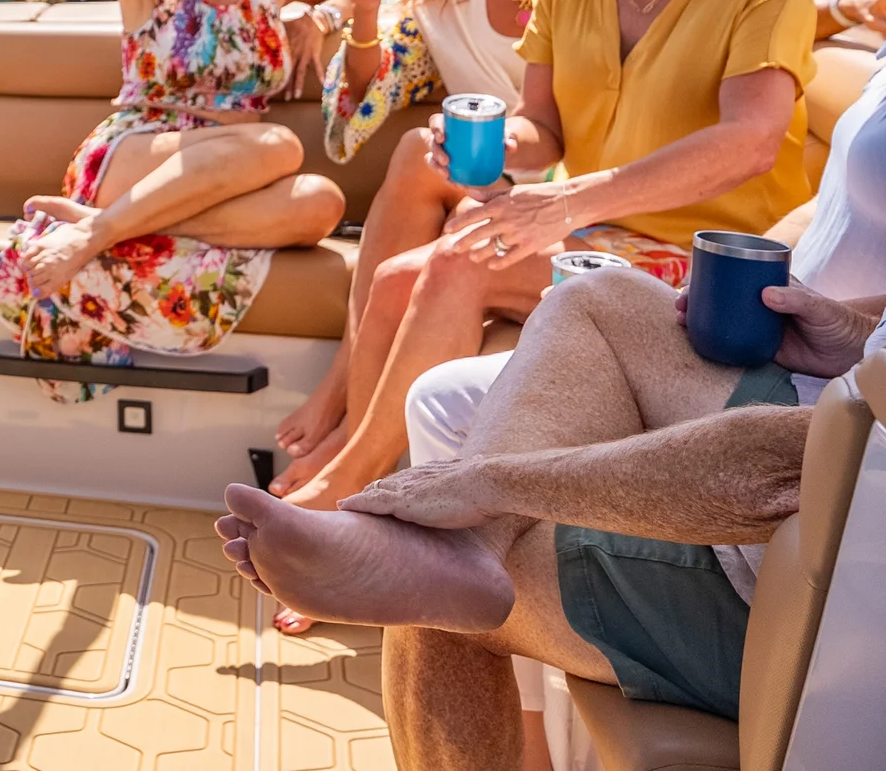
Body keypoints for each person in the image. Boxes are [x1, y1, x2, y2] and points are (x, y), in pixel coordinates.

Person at [278, 0, 817, 515]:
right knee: (405, 274)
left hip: (717, 267)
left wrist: (565, 201)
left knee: (454, 262)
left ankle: (349, 496)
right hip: (603, 237)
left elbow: (750, 143)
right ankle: (374, 485)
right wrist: (484, 143)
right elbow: (547, 131)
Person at [214, 259, 886, 771]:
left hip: (838, 597)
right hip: (845, 433)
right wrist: (862, 336)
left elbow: (788, 467)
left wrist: (488, 484)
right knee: (599, 298)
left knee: (432, 598)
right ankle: (466, 552)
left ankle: (460, 553)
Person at [0, 0, 346, 396]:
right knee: (281, 147)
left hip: (221, 178)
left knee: (323, 204)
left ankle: (111, 227)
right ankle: (95, 229)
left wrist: (322, 15)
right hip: (136, 152)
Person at [269, 0, 573, 494]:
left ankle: (349, 433)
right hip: (482, 184)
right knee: (413, 146)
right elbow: (354, 119)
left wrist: (847, 9)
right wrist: (356, 13)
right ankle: (347, 403)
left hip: (571, 189)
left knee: (424, 168)